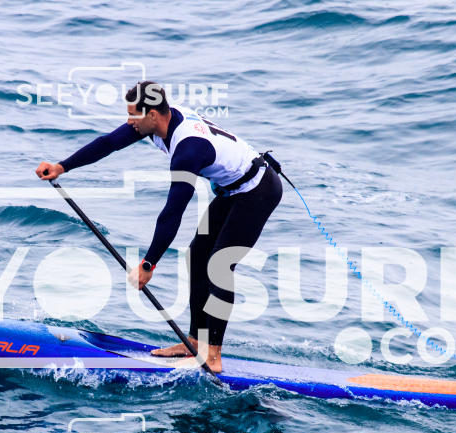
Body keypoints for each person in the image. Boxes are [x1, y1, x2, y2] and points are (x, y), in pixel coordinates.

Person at [36, 81, 282, 373]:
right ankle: (194, 342)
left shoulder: (187, 150)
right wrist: (62, 166)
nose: (129, 121)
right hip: (232, 189)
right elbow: (108, 143)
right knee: (197, 256)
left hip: (258, 190)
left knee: (219, 264)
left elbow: (172, 214)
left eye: (133, 115)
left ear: (153, 114)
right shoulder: (158, 121)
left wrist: (148, 264)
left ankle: (213, 356)